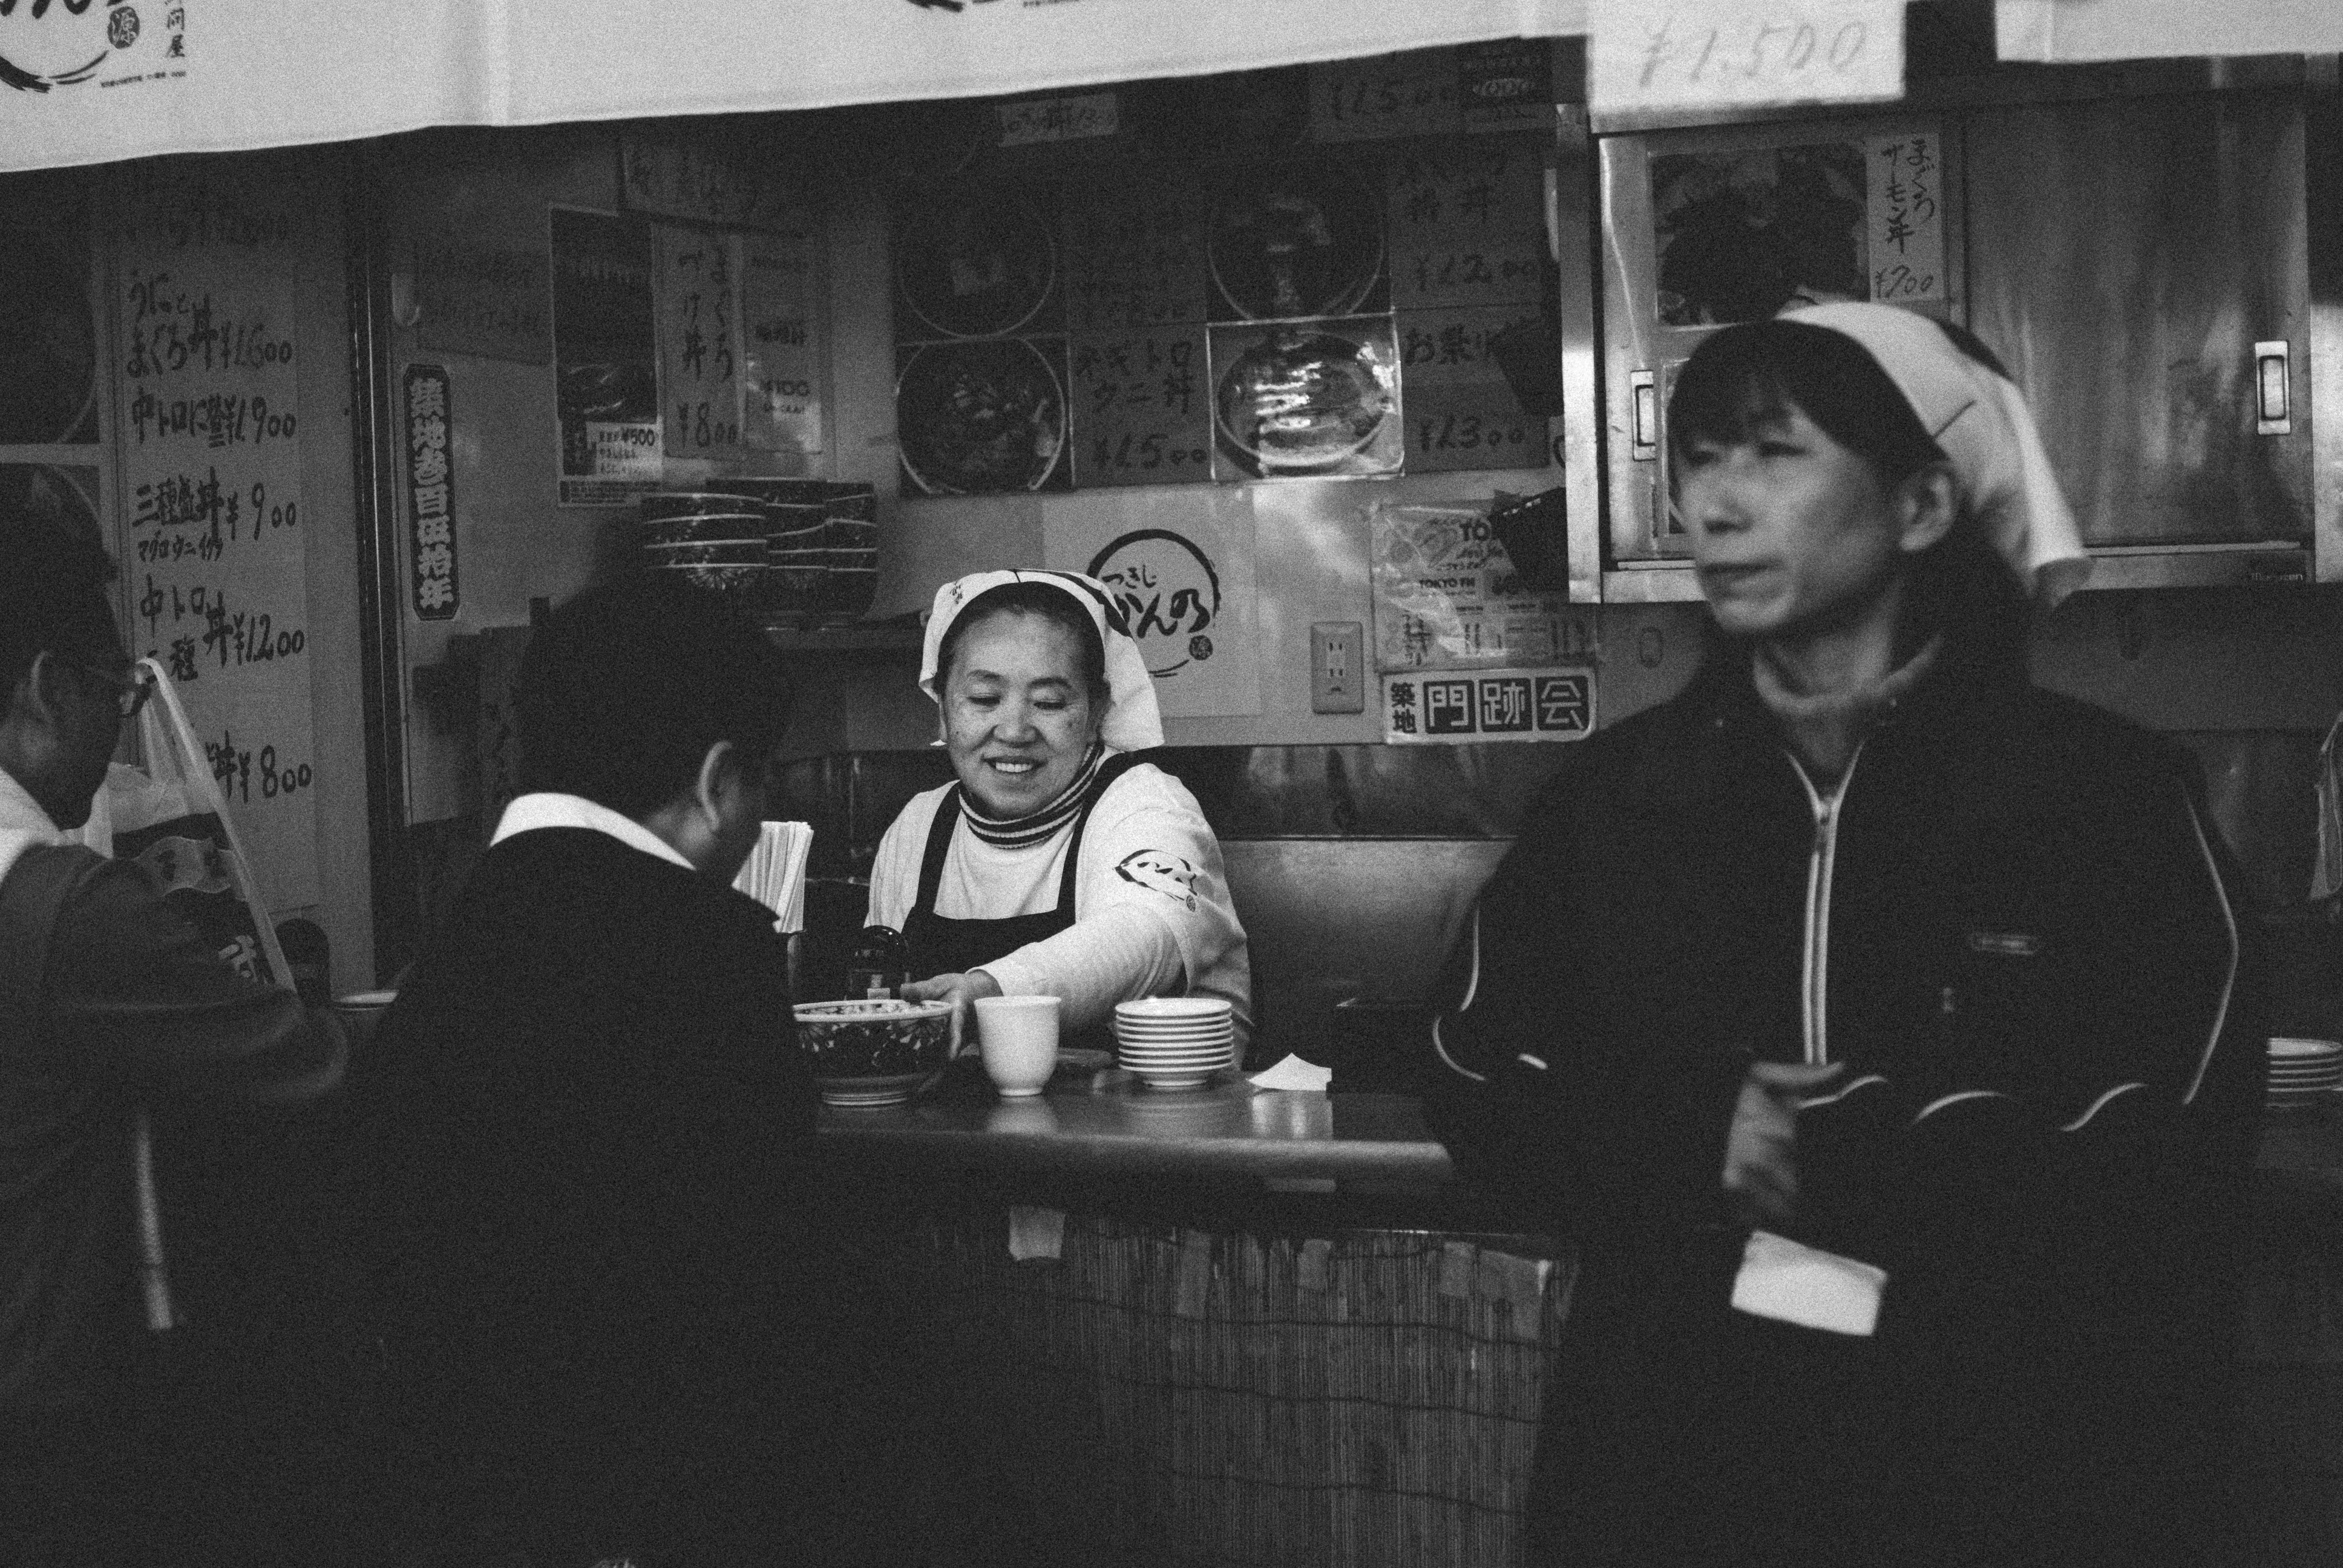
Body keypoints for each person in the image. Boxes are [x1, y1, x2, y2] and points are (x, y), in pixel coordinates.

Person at [1424, 303, 2264, 1567]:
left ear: (1921, 508)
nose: (1710, 504)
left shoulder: (2097, 798)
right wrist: (1693, 1129)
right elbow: (1465, 1062)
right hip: (1677, 1450)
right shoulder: (1623, 798)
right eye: (1698, 458)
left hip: (2013, 1458)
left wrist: (1874, 1149)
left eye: (1772, 454)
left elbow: (2182, 1126)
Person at [346, 575, 819, 1567]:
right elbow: (750, 1301)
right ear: (717, 777)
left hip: (439, 1500)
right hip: (628, 1509)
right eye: (762, 781)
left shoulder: (464, 929)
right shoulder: (705, 952)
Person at [0, 515, 345, 1563]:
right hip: (46, 1396)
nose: (118, 720)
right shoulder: (58, 906)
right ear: (44, 685)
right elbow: (298, 1064)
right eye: (115, 688)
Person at [865, 570, 1251, 1054]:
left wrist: (992, 991)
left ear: (1095, 712)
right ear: (941, 706)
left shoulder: (1147, 804)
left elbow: (1144, 936)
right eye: (984, 698)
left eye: (1048, 702)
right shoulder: (920, 826)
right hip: (953, 1125)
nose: (1015, 730)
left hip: (1145, 1121)